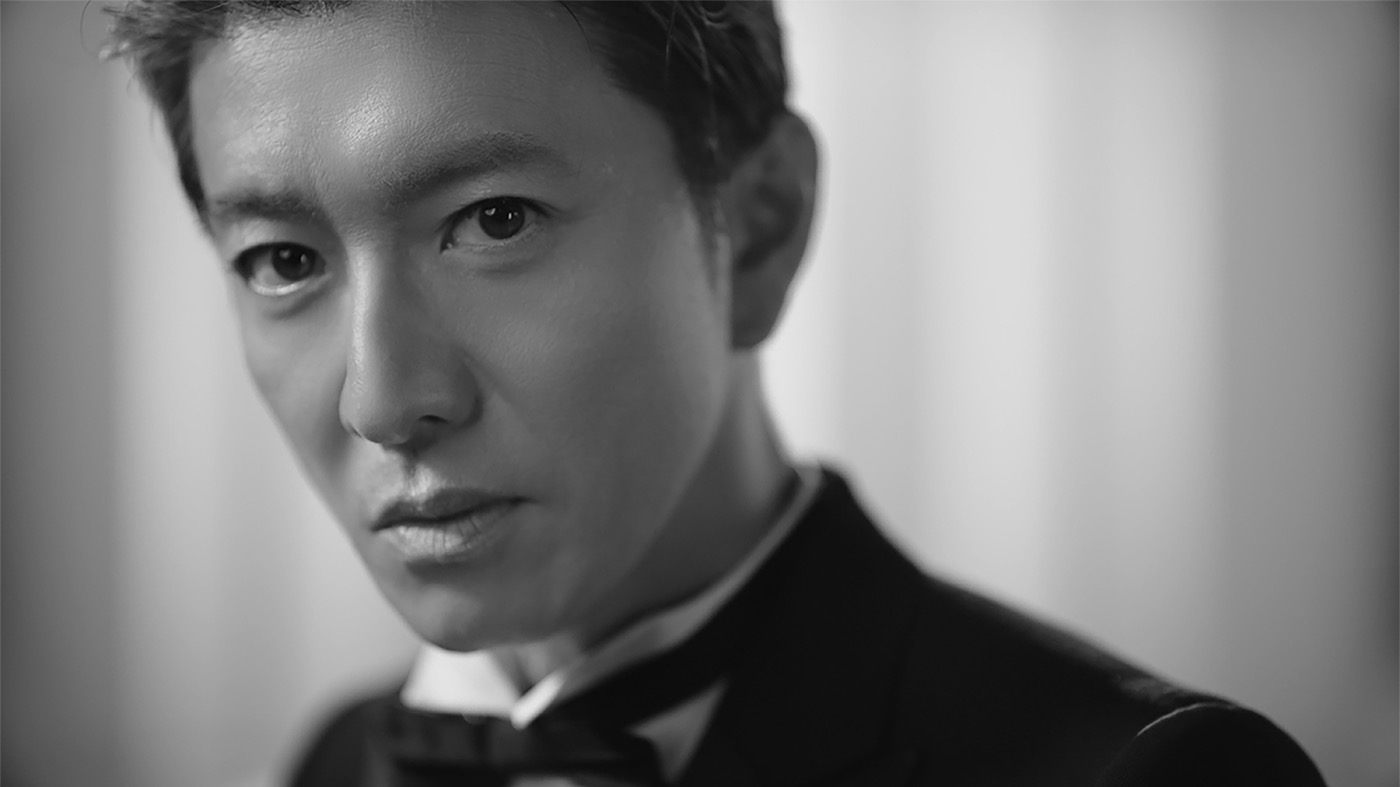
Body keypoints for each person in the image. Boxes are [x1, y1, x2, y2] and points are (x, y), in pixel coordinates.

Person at [106, 2, 1327, 785]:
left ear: (757, 227)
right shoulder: (334, 760)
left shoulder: (1144, 774)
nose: (381, 401)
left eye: (494, 219)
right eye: (282, 259)